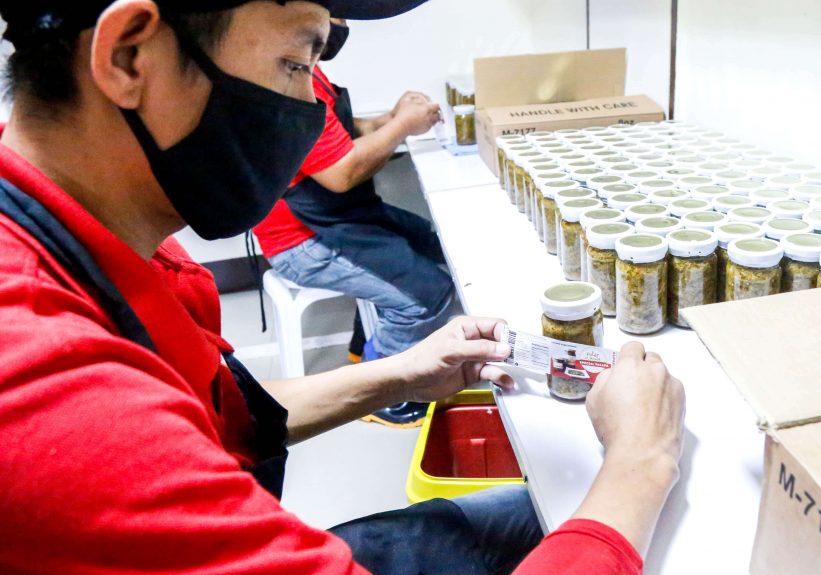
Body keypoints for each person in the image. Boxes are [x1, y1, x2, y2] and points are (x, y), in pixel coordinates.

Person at [0, 1, 686, 574]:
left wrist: (403, 372)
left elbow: (222, 411)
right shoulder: (48, 388)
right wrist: (639, 461)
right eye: (297, 63)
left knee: (531, 508)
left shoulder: (101, 249)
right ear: (128, 55)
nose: (307, 103)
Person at [253, 18, 450, 426]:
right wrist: (402, 127)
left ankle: (367, 351)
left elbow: (340, 130)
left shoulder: (310, 68)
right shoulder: (283, 81)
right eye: (335, 13)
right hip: (303, 240)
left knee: (434, 243)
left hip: (342, 219)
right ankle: (381, 396)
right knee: (427, 294)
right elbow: (340, 171)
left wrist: (386, 120)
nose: (342, 23)